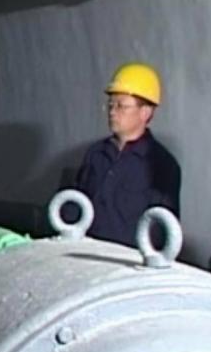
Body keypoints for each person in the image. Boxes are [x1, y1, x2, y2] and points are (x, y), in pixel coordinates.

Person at [74, 62, 181, 246]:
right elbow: (76, 204)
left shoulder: (162, 165)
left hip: (128, 260)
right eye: (110, 104)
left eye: (121, 106)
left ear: (145, 112)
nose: (112, 112)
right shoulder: (95, 154)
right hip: (87, 253)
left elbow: (160, 230)